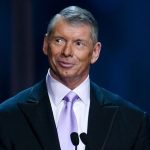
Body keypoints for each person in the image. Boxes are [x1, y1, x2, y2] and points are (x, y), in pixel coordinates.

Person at [0, 6, 150, 150]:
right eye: (59, 40)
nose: (67, 52)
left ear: (95, 52)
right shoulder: (7, 117)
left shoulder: (132, 121)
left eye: (78, 43)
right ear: (46, 44)